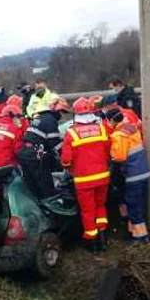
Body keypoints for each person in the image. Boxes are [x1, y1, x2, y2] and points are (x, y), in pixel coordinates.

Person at [61, 97, 111, 253]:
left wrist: (69, 167)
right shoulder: (102, 128)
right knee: (101, 206)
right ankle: (103, 239)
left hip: (83, 180)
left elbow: (66, 160)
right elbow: (109, 151)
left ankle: (93, 244)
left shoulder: (71, 133)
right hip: (103, 176)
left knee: (88, 211)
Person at [107, 109, 150, 243]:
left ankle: (140, 237)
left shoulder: (118, 135)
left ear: (112, 120)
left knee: (133, 205)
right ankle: (134, 232)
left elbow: (119, 157)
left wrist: (111, 156)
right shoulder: (132, 129)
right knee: (139, 204)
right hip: (143, 171)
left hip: (133, 175)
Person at [18, 95, 70, 200]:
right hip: (35, 153)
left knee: (33, 186)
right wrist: (67, 157)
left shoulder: (41, 117)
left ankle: (38, 205)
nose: (61, 115)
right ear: (55, 110)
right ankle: (51, 207)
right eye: (60, 112)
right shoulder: (51, 120)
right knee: (46, 183)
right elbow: (55, 144)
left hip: (25, 152)